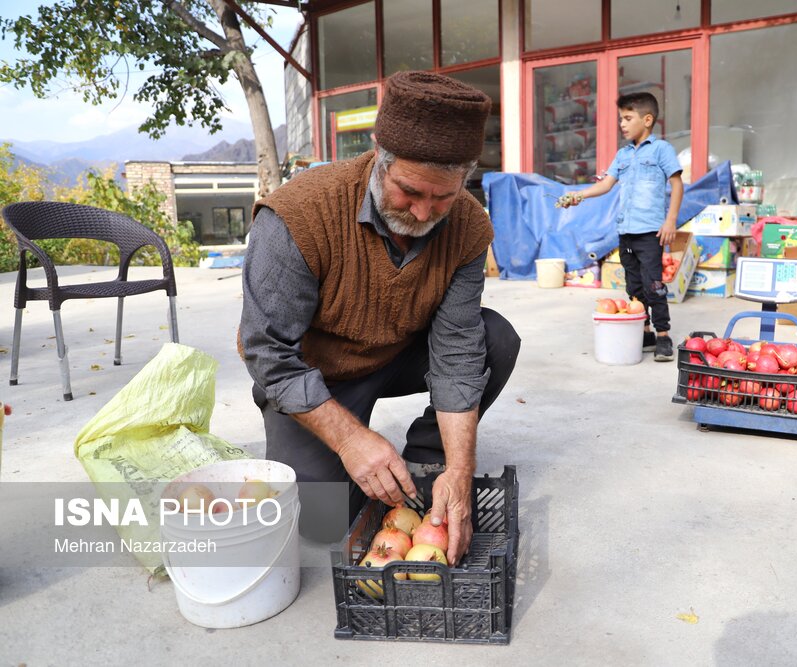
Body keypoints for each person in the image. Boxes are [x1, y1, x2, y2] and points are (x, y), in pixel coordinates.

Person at [238, 71, 520, 564]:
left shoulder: (470, 226)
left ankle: (427, 463)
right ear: (378, 157)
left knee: (494, 337)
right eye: (409, 190)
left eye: (444, 197)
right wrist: (350, 440)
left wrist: (459, 469)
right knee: (321, 522)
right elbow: (267, 354)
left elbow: (455, 350)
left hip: (396, 356)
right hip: (314, 375)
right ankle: (348, 447)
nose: (424, 211)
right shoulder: (299, 214)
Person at [558, 91, 684, 361]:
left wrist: (670, 219)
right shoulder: (623, 155)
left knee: (654, 285)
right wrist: (578, 196)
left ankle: (663, 335)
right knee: (634, 286)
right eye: (621, 119)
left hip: (651, 231)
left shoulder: (661, 150)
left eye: (628, 118)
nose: (622, 124)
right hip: (625, 232)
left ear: (647, 119)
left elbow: (676, 184)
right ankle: (646, 330)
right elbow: (606, 184)